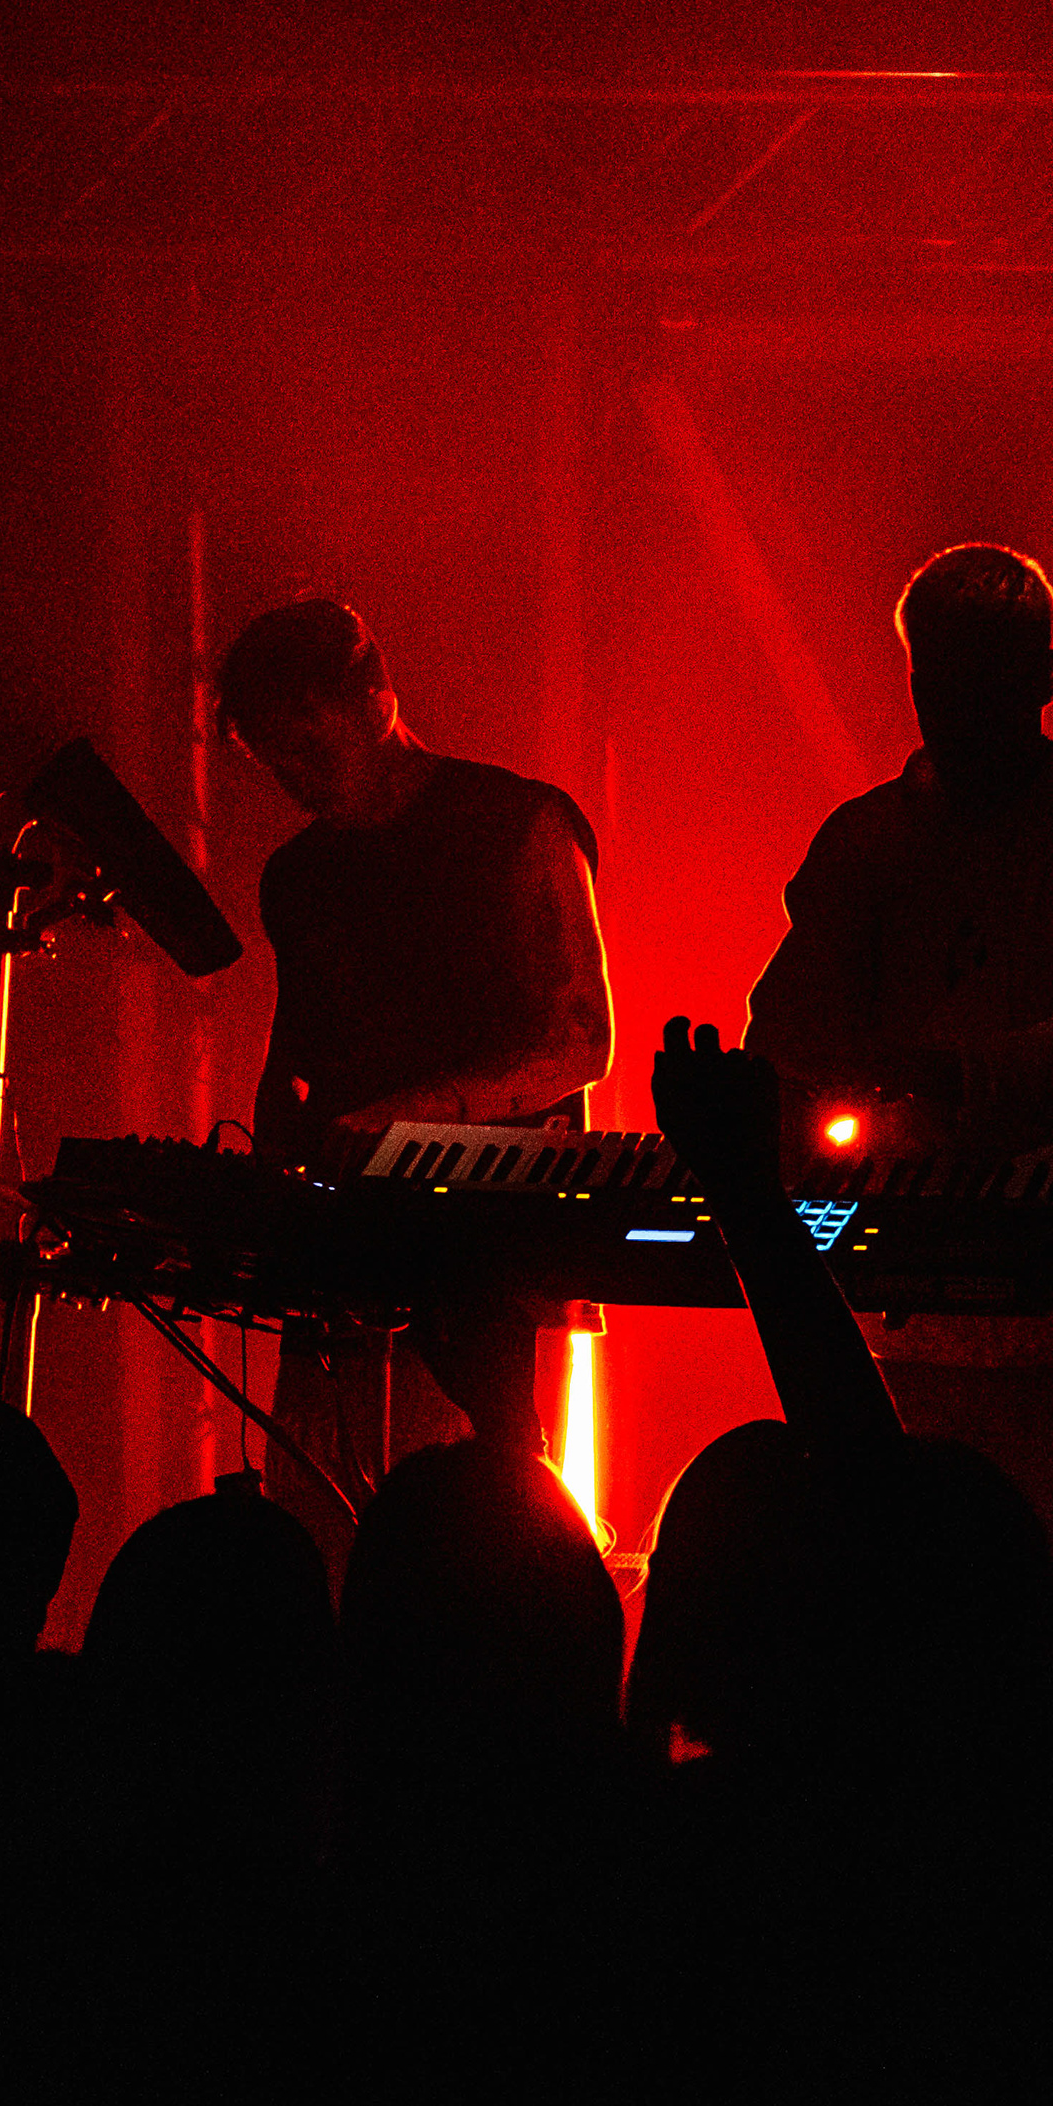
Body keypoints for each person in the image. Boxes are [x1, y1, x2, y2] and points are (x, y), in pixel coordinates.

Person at [741, 544, 1053, 1719]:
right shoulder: (867, 840)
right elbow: (789, 1024)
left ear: (1047, 678)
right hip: (913, 1311)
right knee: (908, 1632)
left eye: (984, 687)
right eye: (939, 687)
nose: (957, 716)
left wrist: (943, 1074)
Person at [219, 597, 612, 1553]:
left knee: (481, 1524)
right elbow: (294, 1052)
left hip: (495, 1236)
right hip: (347, 1236)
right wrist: (260, 1184)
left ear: (378, 703)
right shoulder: (298, 876)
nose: (295, 777)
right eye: (273, 761)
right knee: (319, 1514)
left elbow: (581, 1040)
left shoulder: (517, 822)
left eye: (308, 745)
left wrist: (411, 1119)